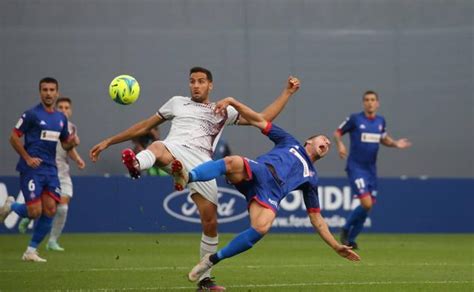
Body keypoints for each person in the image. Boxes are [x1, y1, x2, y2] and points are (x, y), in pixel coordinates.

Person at [89, 67, 301, 291]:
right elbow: (144, 126)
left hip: (202, 165)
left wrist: (287, 92)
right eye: (192, 81)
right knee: (158, 147)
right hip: (174, 150)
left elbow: (264, 118)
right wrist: (109, 141)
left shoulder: (222, 110)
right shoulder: (176, 102)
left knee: (210, 222)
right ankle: (137, 165)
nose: (196, 85)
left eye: (201, 81)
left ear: (210, 85)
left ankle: (205, 280)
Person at [167, 97, 361, 283]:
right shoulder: (290, 141)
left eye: (328, 144)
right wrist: (233, 102)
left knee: (262, 227)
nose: (327, 143)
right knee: (231, 161)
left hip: (271, 193)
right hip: (260, 171)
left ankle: (212, 260)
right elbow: (259, 120)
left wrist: (336, 246)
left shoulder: (311, 177)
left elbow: (316, 219)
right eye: (324, 140)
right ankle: (187, 176)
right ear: (309, 141)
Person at [0, 77, 78, 262]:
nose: (48, 93)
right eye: (45, 90)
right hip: (32, 169)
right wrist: (27, 157)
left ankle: (30, 251)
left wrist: (72, 143)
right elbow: (13, 137)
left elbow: (65, 143)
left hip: (51, 170)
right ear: (40, 92)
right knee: (35, 212)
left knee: (51, 209)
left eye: (52, 90)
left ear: (57, 93)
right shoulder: (31, 115)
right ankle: (11, 206)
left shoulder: (60, 119)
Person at [334, 90, 412, 249]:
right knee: (367, 203)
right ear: (363, 103)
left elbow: (383, 138)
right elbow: (337, 132)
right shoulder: (355, 119)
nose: (370, 102)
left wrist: (396, 143)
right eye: (367, 100)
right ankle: (346, 228)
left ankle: (350, 240)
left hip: (371, 170)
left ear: (378, 103)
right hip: (356, 167)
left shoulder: (380, 121)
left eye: (373, 100)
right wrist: (340, 144)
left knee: (367, 207)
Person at [18, 97, 86, 252]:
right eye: (60, 107)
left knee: (62, 208)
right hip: (45, 170)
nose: (63, 110)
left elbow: (67, 147)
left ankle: (52, 241)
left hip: (63, 172)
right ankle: (26, 213)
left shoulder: (71, 128)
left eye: (66, 107)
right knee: (40, 209)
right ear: (56, 108)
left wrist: (77, 158)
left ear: (70, 110)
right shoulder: (47, 122)